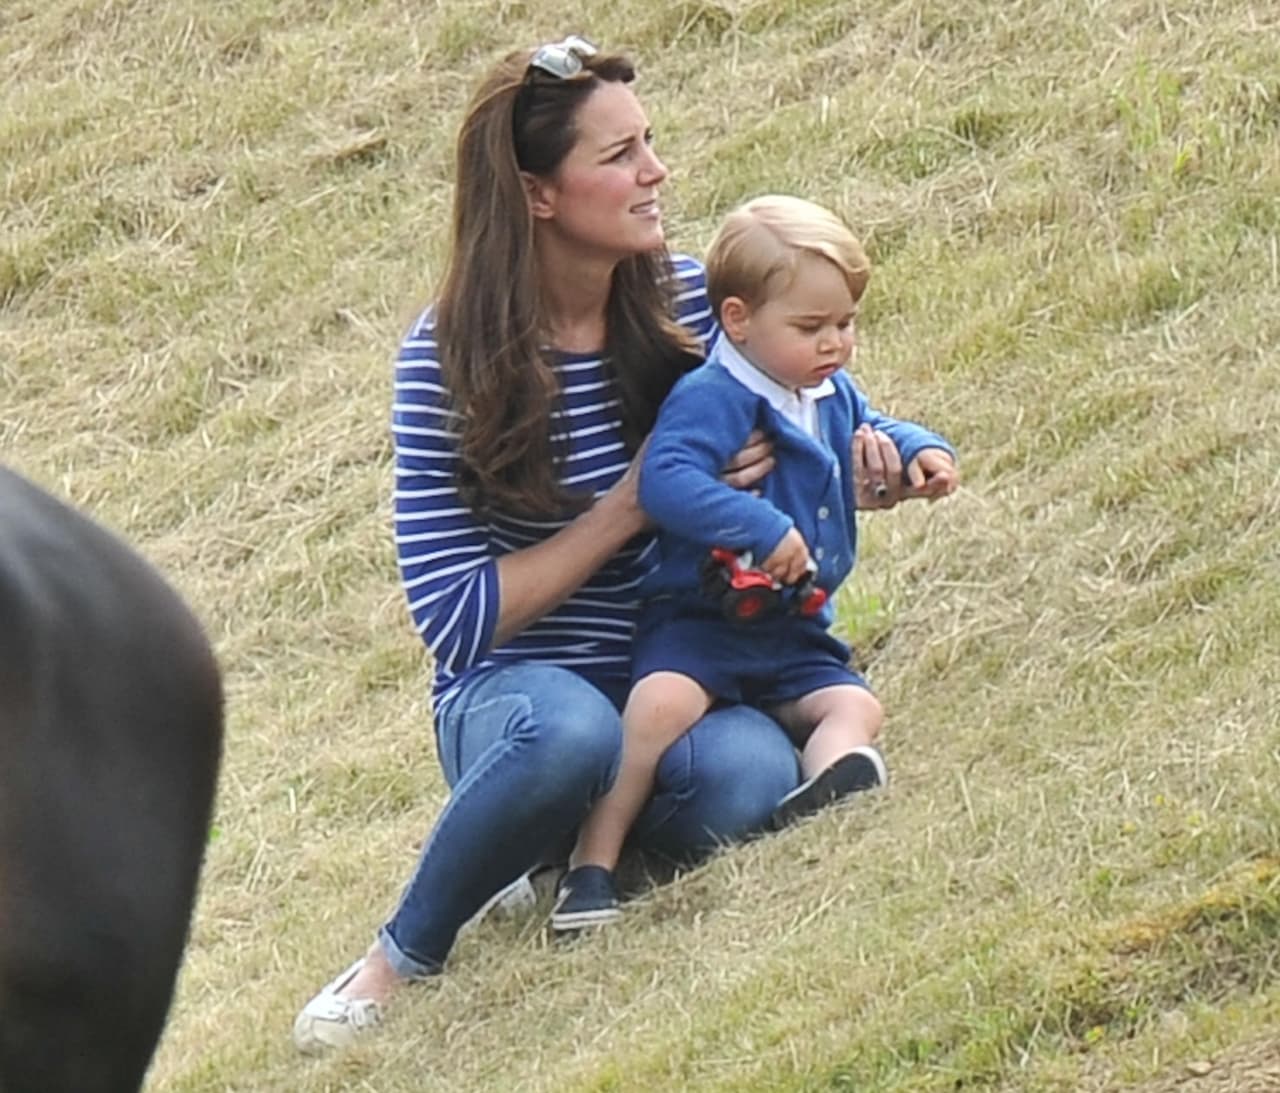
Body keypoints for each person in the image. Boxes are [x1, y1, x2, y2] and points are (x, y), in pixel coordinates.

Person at [292, 36, 958, 1052]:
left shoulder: (697, 303)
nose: (655, 173)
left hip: (682, 664)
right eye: (617, 156)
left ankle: (563, 845)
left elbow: (780, 453)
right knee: (565, 737)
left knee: (747, 780)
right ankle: (397, 955)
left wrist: (861, 480)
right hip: (519, 688)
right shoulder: (446, 360)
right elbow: (453, 617)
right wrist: (630, 504)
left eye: (647, 143)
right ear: (538, 193)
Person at [550, 195, 957, 931]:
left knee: (854, 704)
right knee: (655, 710)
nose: (835, 342)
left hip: (792, 624)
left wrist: (922, 449)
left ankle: (830, 777)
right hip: (703, 617)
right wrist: (760, 526)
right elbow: (667, 479)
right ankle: (590, 865)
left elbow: (871, 422)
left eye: (846, 324)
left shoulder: (823, 388)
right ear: (738, 320)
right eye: (812, 327)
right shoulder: (715, 395)